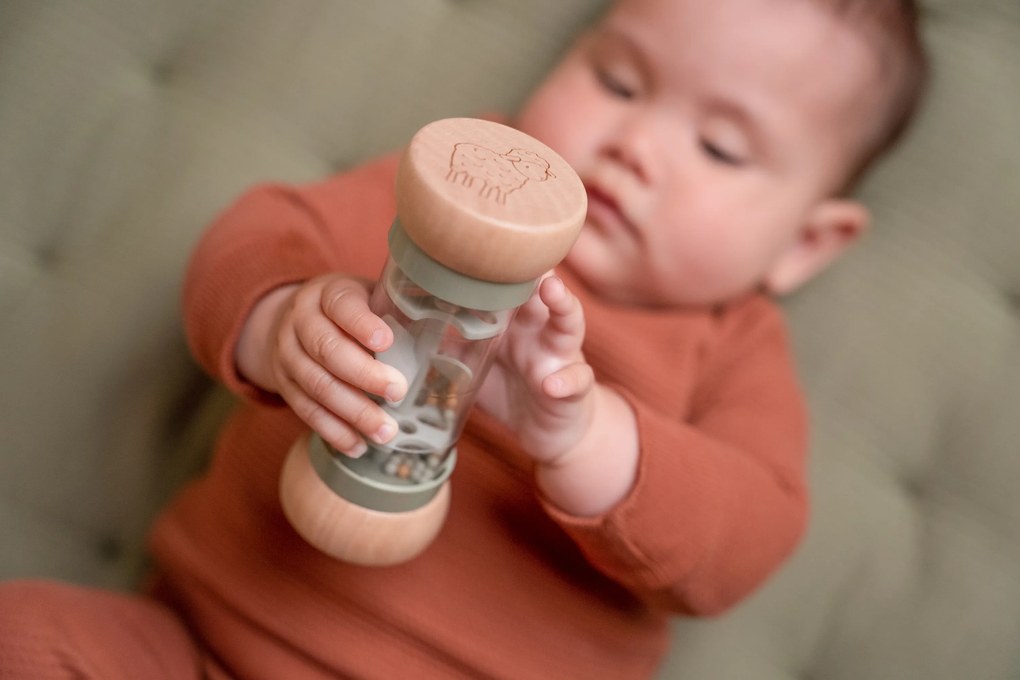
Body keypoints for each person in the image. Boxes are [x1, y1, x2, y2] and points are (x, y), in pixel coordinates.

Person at [0, 0, 927, 677]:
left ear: (807, 242)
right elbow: (261, 231)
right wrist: (282, 319)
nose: (634, 143)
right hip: (194, 646)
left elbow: (743, 539)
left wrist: (584, 435)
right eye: (617, 80)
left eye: (721, 148)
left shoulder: (732, 346)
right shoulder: (467, 180)